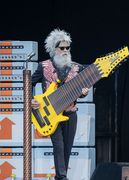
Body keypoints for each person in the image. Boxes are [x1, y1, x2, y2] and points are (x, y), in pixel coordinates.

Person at [31, 29, 89, 180]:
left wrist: (84, 92)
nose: (65, 50)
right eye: (61, 47)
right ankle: (62, 178)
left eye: (67, 47)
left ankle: (60, 177)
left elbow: (82, 92)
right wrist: (32, 100)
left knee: (66, 150)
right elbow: (28, 83)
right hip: (51, 115)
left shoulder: (77, 68)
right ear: (53, 49)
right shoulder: (43, 67)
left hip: (70, 114)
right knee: (58, 147)